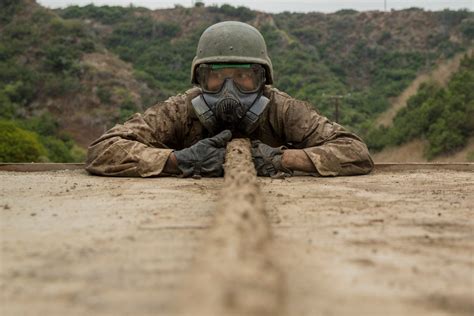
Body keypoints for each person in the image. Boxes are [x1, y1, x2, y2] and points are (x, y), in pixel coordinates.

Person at [86, 21, 374, 178]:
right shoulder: (180, 110)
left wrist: (280, 159)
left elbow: (354, 151)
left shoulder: (281, 108)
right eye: (216, 76)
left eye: (242, 76)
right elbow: (103, 150)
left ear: (262, 80)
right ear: (200, 80)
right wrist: (179, 160)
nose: (229, 89)